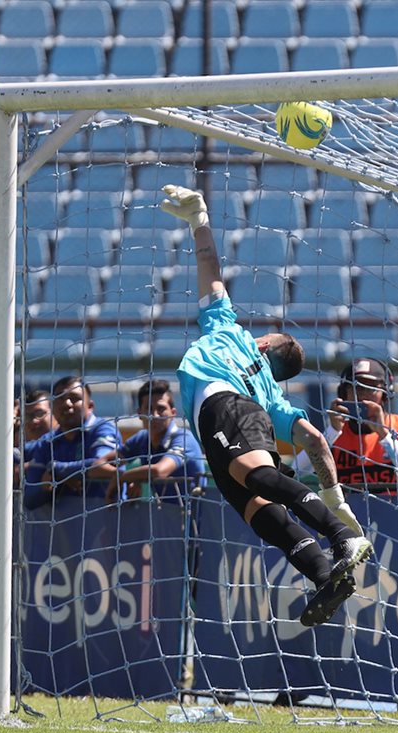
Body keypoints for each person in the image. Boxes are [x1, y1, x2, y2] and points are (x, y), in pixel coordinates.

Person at [162, 183, 372, 627]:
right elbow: (314, 438)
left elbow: (210, 268)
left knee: (259, 477)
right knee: (262, 511)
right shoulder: (273, 398)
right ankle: (324, 576)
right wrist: (334, 494)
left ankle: (339, 537)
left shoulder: (231, 332)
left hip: (222, 404)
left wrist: (200, 220)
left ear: (265, 343)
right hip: (228, 423)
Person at [295, 358, 398, 496]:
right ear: (343, 393)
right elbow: (296, 471)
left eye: (371, 389)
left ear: (385, 394)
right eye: (357, 387)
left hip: (397, 514)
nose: (363, 395)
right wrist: (332, 431)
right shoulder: (333, 434)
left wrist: (384, 435)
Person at [89, 379, 207, 504]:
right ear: (139, 413)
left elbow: (159, 471)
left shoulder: (184, 438)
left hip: (195, 519)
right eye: (148, 409)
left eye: (161, 409)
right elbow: (96, 467)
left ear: (173, 413)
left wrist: (125, 477)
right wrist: (125, 476)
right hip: (166, 517)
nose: (154, 415)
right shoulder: (142, 439)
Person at [22, 376, 120, 511]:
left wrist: (57, 470)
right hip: (64, 529)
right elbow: (29, 499)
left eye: (74, 398)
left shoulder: (103, 430)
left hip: (109, 523)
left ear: (90, 406)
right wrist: (52, 484)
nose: (66, 403)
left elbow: (102, 465)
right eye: (60, 398)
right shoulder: (46, 442)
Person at [0, 389, 55, 487]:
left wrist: (27, 469)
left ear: (55, 413)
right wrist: (10, 424)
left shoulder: (65, 441)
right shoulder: (25, 451)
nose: (34, 421)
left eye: (39, 414)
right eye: (28, 416)